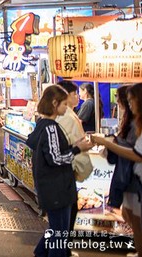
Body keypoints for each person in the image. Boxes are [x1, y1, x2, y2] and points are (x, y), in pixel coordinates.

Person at [26, 85, 93, 257]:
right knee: (59, 235)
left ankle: (40, 253)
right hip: (57, 188)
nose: (67, 107)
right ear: (55, 104)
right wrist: (77, 148)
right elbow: (55, 159)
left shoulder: (43, 126)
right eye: (64, 104)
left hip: (52, 187)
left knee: (56, 230)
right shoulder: (50, 128)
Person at [92, 84, 142, 257]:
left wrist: (108, 143)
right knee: (132, 217)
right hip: (132, 179)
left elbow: (137, 154)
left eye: (130, 100)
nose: (128, 104)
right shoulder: (135, 122)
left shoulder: (137, 125)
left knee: (136, 220)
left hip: (135, 180)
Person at [56, 80, 93, 257]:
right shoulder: (68, 117)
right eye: (75, 94)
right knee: (65, 220)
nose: (77, 97)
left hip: (60, 174)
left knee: (62, 221)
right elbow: (74, 147)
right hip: (65, 173)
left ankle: (50, 251)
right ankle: (61, 251)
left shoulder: (60, 116)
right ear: (66, 95)